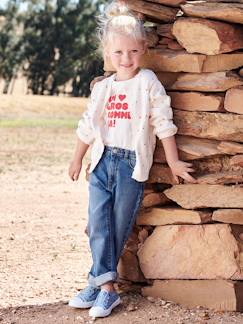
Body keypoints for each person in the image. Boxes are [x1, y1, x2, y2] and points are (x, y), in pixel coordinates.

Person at [68, 1, 197, 318]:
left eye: (133, 52)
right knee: (98, 224)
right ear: (107, 53)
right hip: (101, 163)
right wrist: (76, 159)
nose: (126, 59)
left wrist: (175, 161)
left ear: (143, 48)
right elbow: (88, 126)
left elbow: (163, 123)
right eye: (118, 53)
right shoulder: (104, 88)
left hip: (130, 166)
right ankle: (105, 287)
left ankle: (100, 284)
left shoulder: (147, 82)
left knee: (117, 225)